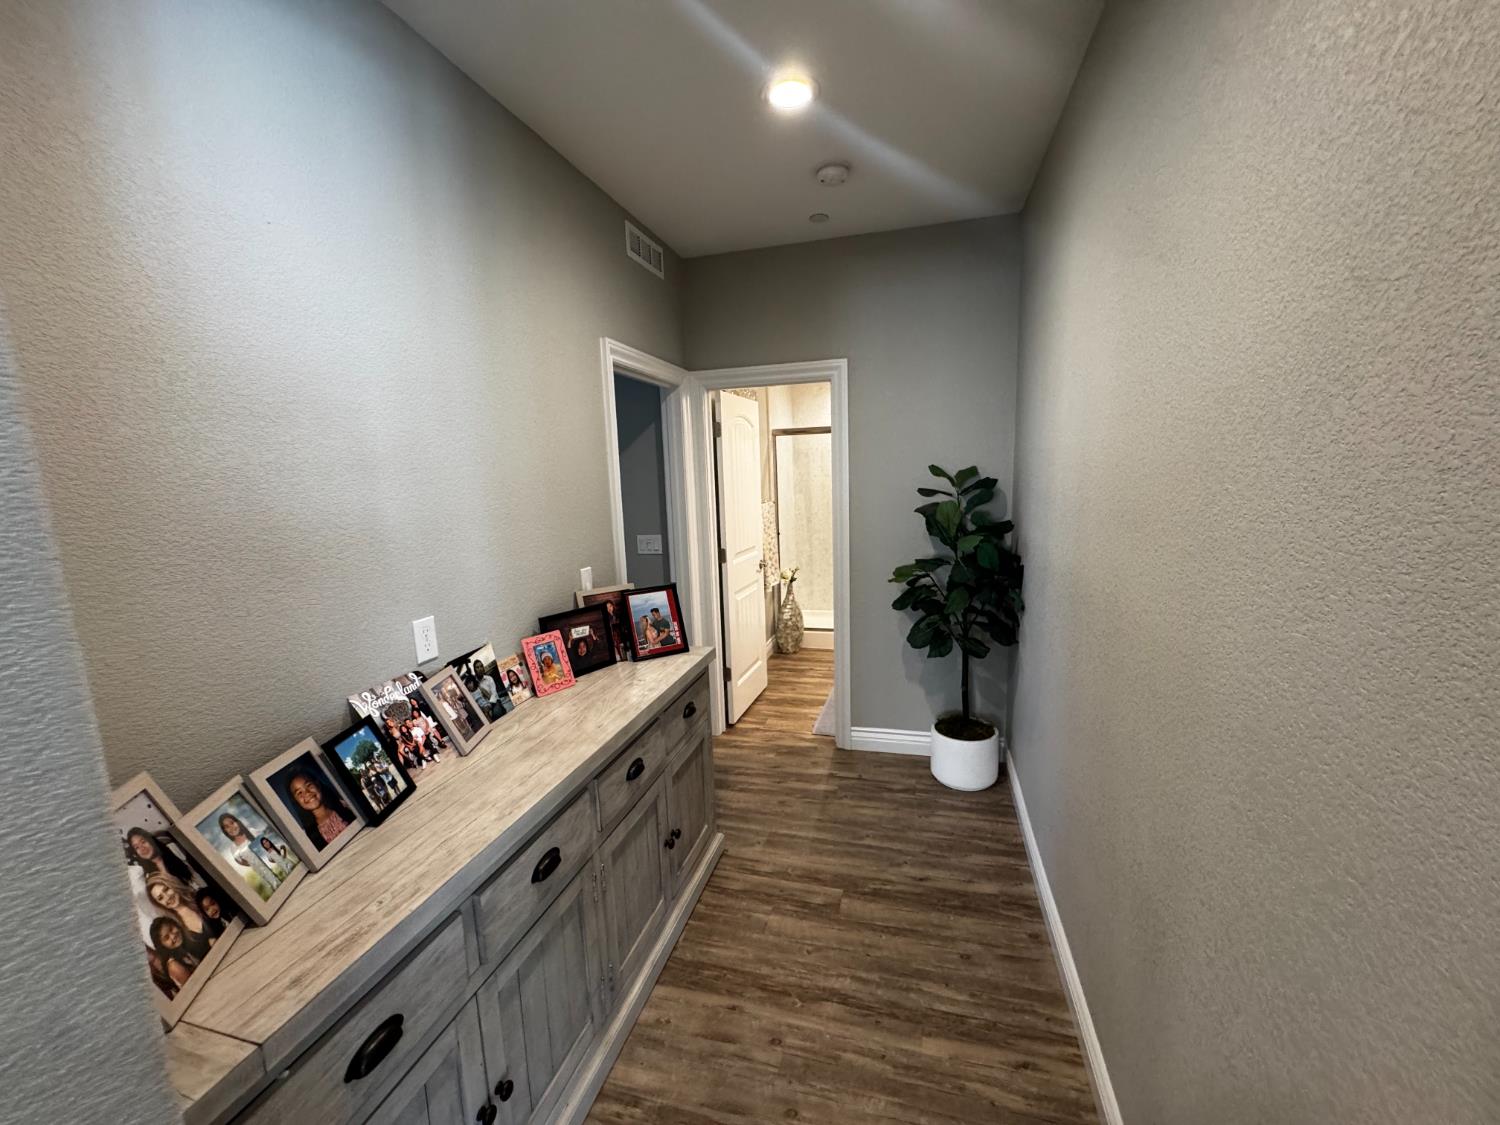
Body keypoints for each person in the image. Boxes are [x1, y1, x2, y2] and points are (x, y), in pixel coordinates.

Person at [145, 873, 214, 959]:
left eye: (166, 889)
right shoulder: (173, 927)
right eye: (160, 898)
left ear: (172, 884)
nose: (167, 897)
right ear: (159, 904)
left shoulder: (201, 897)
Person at [216, 811, 281, 899]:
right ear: (225, 831)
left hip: (276, 865)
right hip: (265, 878)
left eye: (232, 823)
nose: (231, 827)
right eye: (227, 827)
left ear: (237, 822)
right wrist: (254, 863)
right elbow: (242, 862)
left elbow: (269, 844)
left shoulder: (252, 832)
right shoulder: (233, 848)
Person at [286, 769, 354, 848]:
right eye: (299, 793)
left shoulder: (346, 806)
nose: (307, 793)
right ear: (296, 801)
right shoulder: (309, 837)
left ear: (317, 784)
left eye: (309, 785)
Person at [124, 827, 194, 883]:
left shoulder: (174, 849)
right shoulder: (149, 877)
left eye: (143, 842)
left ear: (150, 840)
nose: (142, 848)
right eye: (137, 847)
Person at [150, 916, 200, 987]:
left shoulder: (185, 946)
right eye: (166, 938)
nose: (173, 936)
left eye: (171, 929)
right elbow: (195, 987)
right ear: (162, 945)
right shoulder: (173, 965)